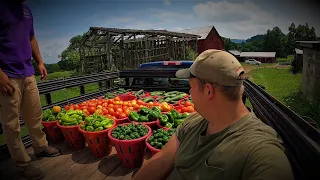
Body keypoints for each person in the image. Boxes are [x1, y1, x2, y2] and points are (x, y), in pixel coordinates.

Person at [132, 49, 294, 180]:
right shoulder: (194, 122)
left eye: (191, 86)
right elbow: (162, 160)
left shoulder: (260, 151)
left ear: (208, 91)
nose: (189, 92)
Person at [0, 1, 61, 179]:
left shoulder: (26, 9)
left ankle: (41, 147)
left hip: (28, 72)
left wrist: (40, 62)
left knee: (35, 114)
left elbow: (31, 37)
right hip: (7, 75)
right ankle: (22, 163)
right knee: (12, 124)